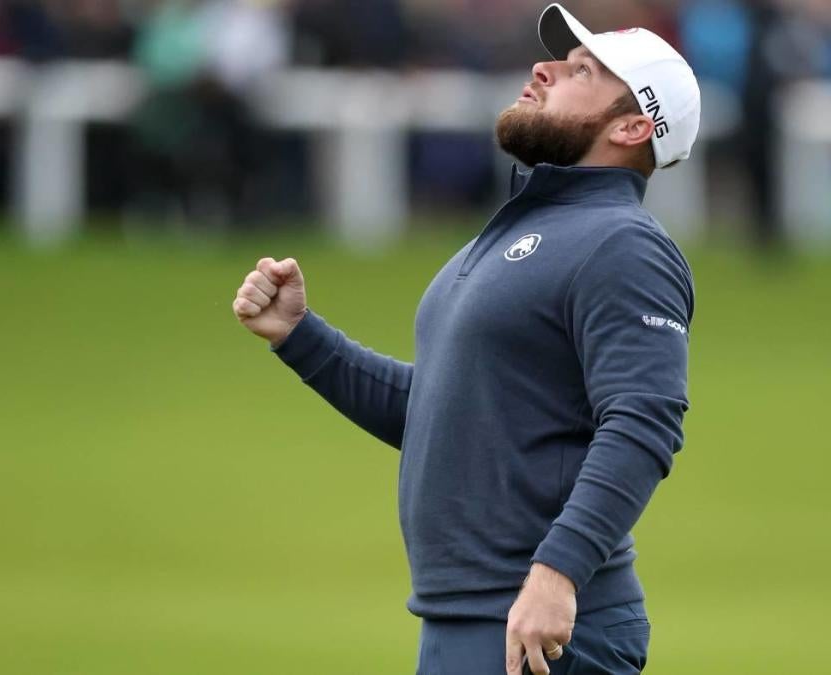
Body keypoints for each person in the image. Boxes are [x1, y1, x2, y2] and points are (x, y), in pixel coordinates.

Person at [232, 4, 700, 673]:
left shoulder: (623, 244)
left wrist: (558, 573)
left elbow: (643, 421)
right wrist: (302, 339)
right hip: (469, 616)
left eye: (579, 72)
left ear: (631, 125)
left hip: (540, 625)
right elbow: (446, 410)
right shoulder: (519, 231)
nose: (542, 70)